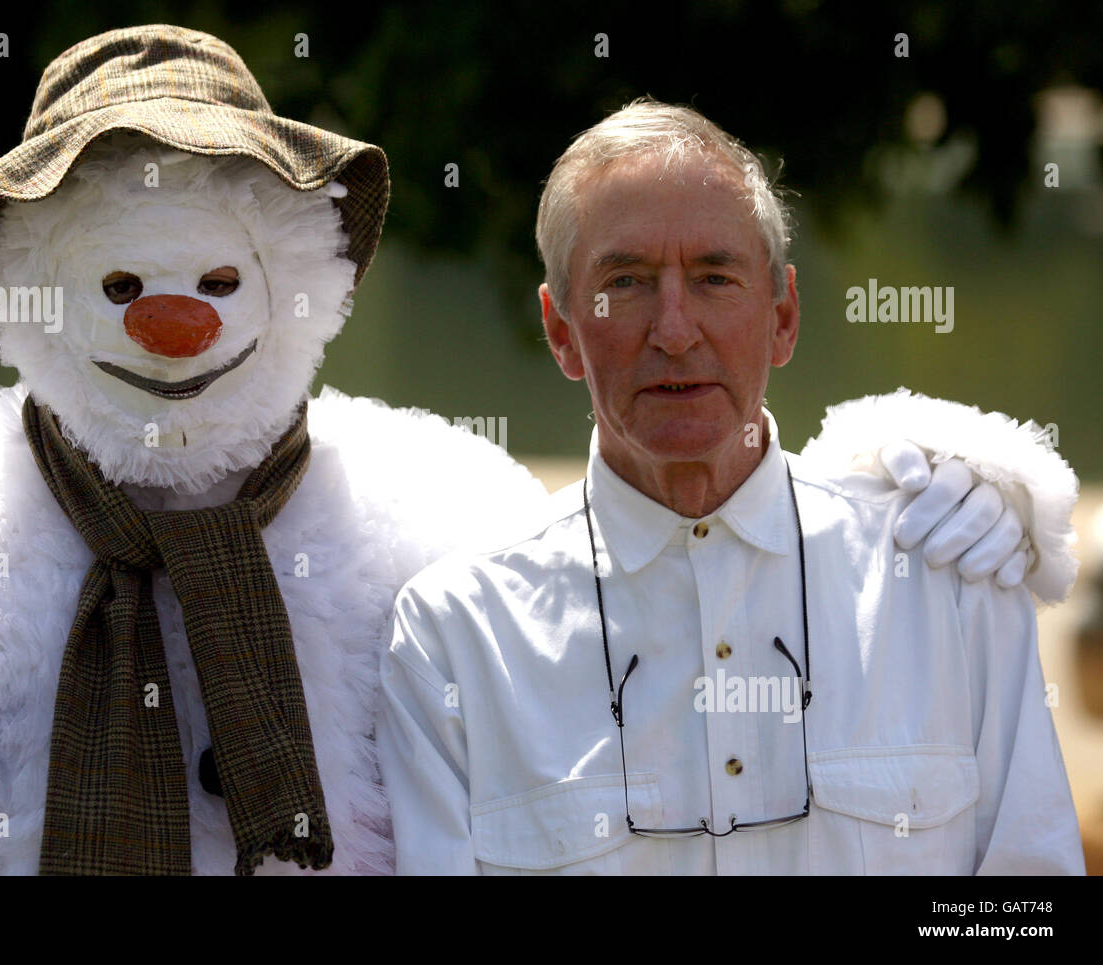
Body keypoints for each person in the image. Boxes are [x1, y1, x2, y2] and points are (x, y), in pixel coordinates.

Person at [375, 99, 1085, 875]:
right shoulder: (457, 637)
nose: (675, 329)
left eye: (715, 277)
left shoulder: (950, 578)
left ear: (783, 316)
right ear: (560, 330)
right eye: (628, 281)